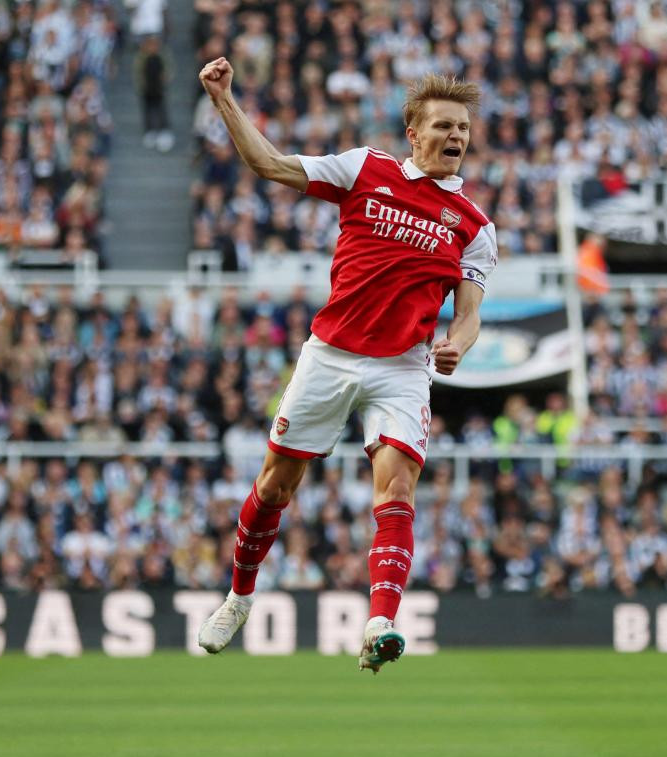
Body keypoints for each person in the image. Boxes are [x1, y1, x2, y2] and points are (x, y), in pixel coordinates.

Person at [194, 57, 496, 673]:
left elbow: (468, 314)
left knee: (398, 486)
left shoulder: (474, 227)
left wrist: (458, 345)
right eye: (443, 126)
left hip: (403, 368)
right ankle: (238, 597)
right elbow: (270, 164)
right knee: (277, 485)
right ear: (414, 133)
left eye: (463, 129)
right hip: (330, 354)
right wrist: (225, 99)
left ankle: (381, 619)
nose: (456, 138)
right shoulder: (366, 169)